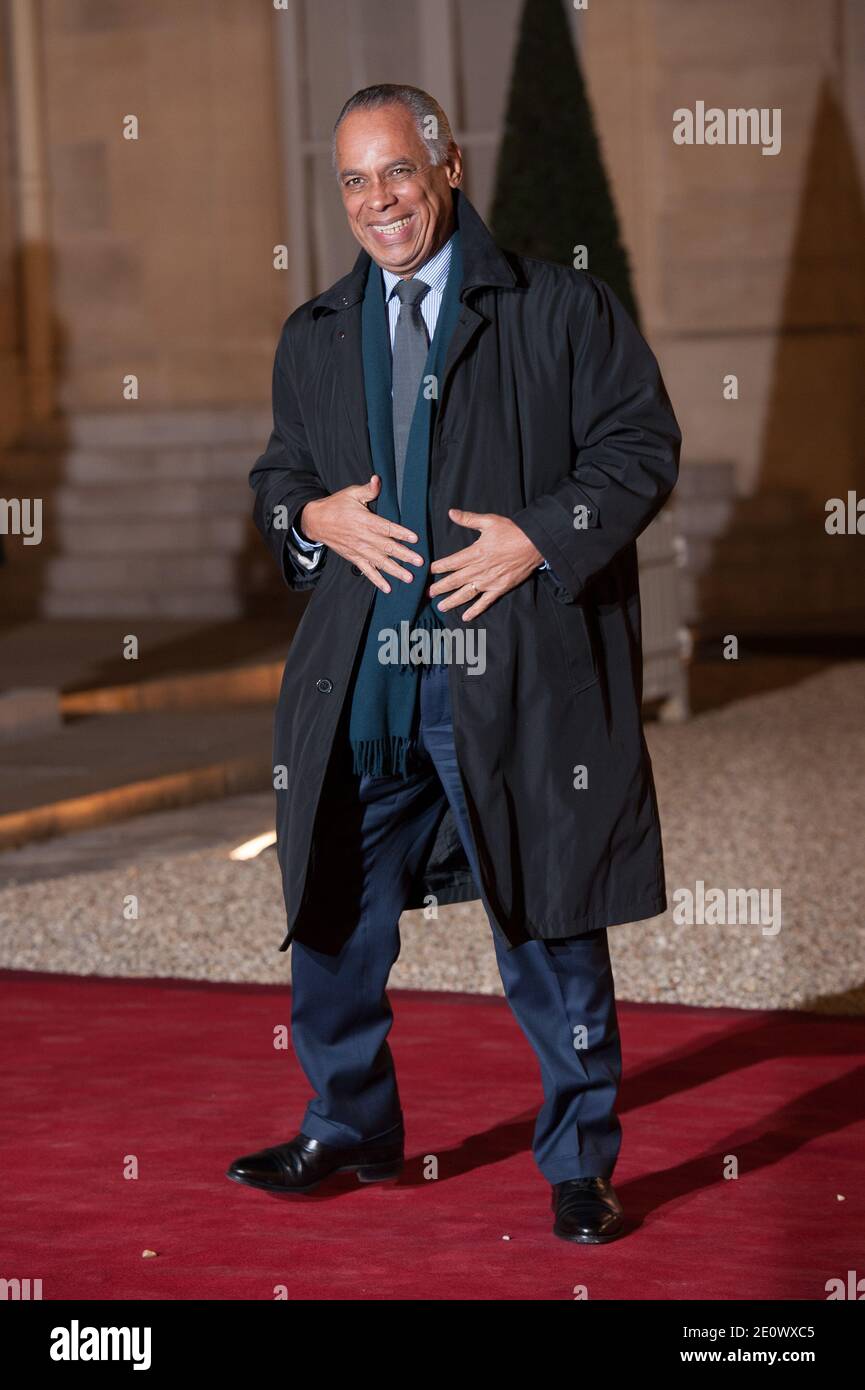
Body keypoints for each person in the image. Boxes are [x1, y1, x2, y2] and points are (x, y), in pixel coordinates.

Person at [229, 84, 681, 1244]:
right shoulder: (316, 333)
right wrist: (311, 520)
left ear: (448, 168)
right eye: (353, 180)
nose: (377, 200)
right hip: (362, 682)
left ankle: (579, 1162)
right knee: (330, 913)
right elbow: (279, 477)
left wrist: (540, 534)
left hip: (506, 672)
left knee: (546, 913)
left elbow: (641, 445)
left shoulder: (558, 309)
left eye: (396, 173)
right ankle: (349, 1123)